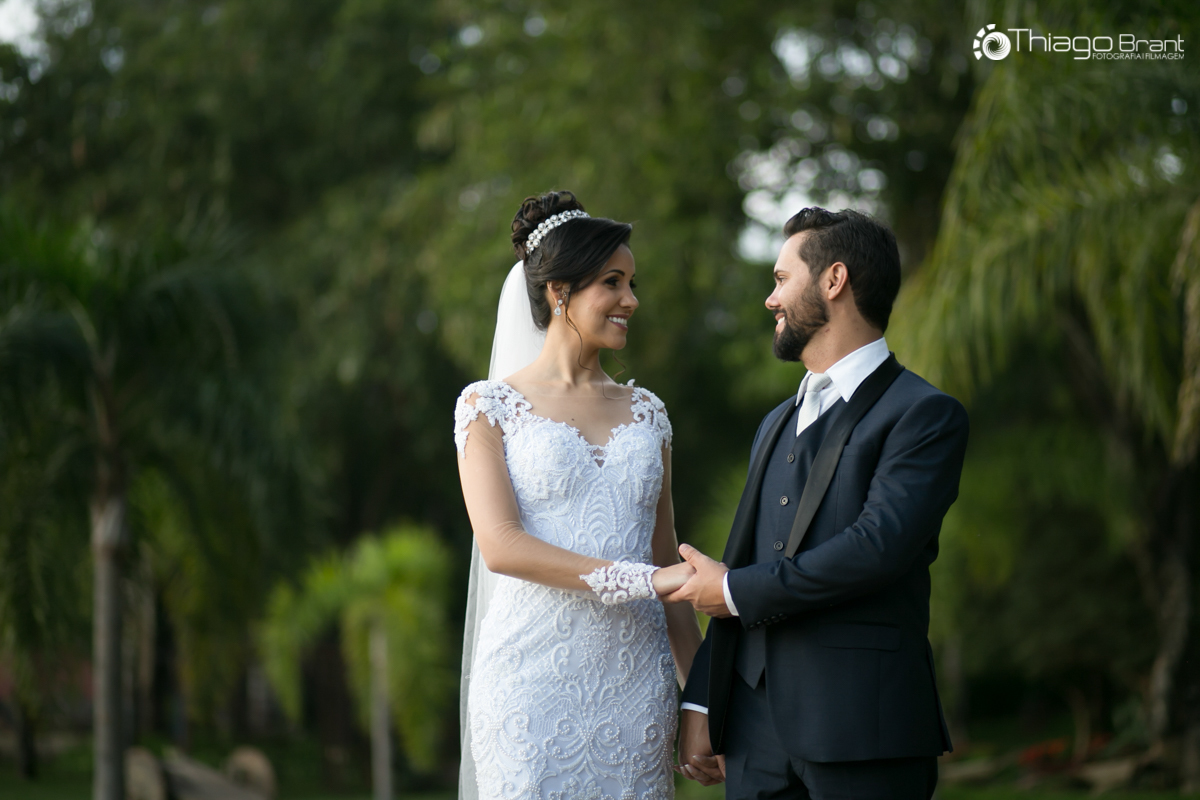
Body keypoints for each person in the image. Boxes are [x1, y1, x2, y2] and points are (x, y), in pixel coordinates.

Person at [669, 207, 969, 800]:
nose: (770, 299)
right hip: (754, 737)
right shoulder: (775, 422)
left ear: (834, 280)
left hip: (865, 728)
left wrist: (734, 590)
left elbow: (877, 547)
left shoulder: (924, 414)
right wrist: (703, 698)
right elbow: (742, 554)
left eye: (782, 279)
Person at [453, 190, 702, 800]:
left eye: (632, 283)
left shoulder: (649, 414)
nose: (631, 300)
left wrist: (699, 700)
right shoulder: (488, 407)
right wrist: (643, 581)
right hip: (528, 688)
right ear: (559, 290)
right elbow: (502, 546)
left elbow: (665, 556)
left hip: (636, 687)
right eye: (613, 283)